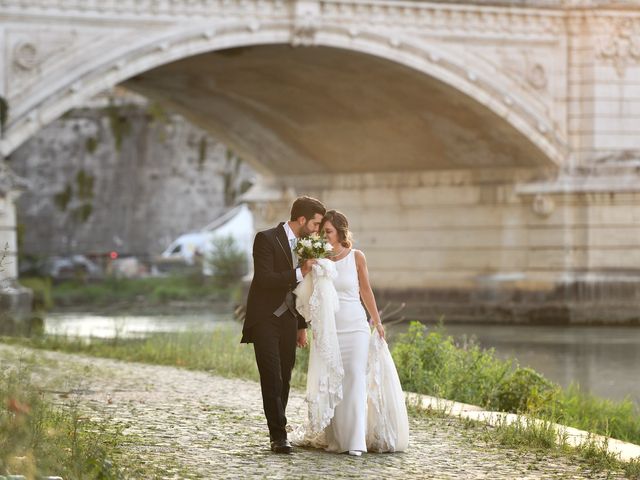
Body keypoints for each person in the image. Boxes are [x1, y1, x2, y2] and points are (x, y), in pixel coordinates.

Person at [241, 196, 326, 454]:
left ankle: (279, 426)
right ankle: (278, 435)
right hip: (265, 318)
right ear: (301, 219)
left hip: (289, 320)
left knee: (286, 377)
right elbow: (266, 280)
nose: (317, 230)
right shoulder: (265, 239)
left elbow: (300, 291)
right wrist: (302, 271)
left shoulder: (308, 245)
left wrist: (301, 326)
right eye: (315, 224)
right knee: (272, 376)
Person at [319, 210, 408, 455]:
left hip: (357, 326)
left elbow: (366, 291)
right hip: (331, 330)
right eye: (322, 232)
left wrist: (377, 322)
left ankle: (356, 442)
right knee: (335, 382)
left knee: (356, 378)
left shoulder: (357, 256)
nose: (324, 236)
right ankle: (339, 439)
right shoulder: (319, 258)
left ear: (340, 231)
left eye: (328, 231)